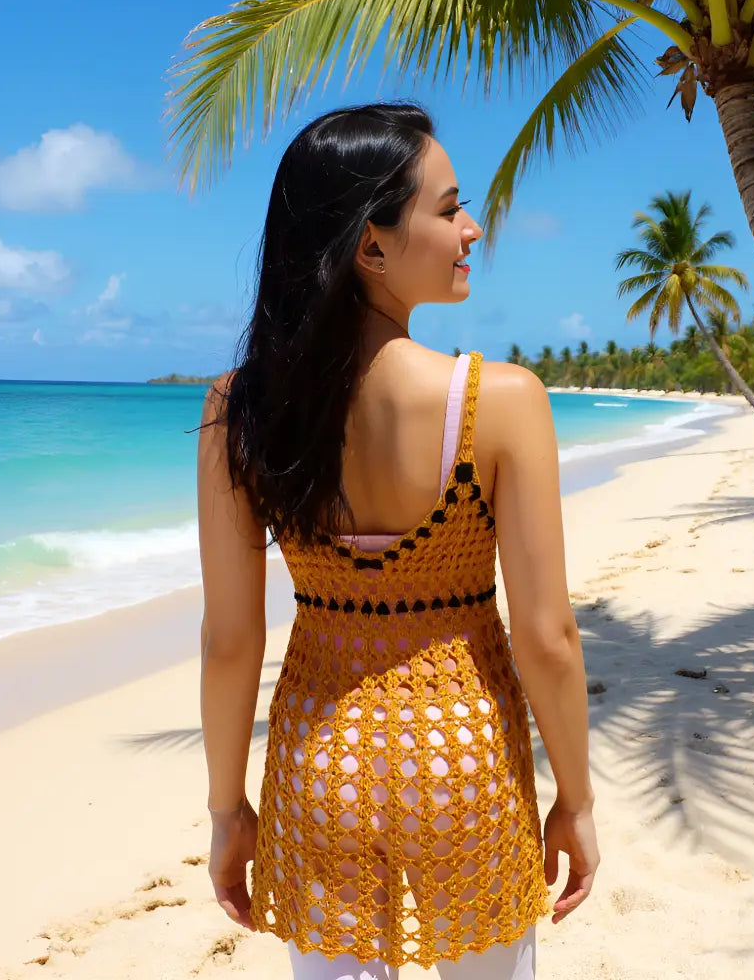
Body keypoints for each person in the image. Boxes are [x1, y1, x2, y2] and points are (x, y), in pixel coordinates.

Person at [196, 102, 598, 980]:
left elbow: (231, 641)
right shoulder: (501, 402)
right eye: (449, 208)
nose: (472, 227)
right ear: (370, 246)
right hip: (466, 754)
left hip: (318, 763)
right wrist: (575, 795)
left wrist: (228, 808)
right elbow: (547, 639)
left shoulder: (243, 408)